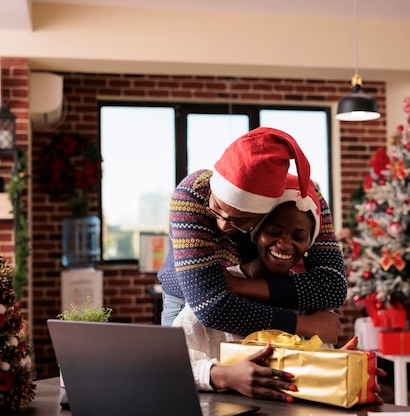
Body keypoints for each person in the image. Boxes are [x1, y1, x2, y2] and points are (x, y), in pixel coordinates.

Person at [173, 175, 383, 403]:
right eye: (273, 231)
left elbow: (304, 374)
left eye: (299, 236)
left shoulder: (310, 300)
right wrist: (221, 376)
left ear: (309, 245)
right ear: (254, 232)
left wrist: (340, 368)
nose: (284, 244)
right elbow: (170, 366)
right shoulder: (217, 290)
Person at [158, 127, 348, 344]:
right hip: (185, 303)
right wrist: (303, 325)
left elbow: (333, 286)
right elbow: (209, 306)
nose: (222, 225)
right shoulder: (192, 193)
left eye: (241, 221)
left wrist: (240, 286)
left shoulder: (301, 199)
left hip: (255, 299)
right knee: (188, 371)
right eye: (216, 208)